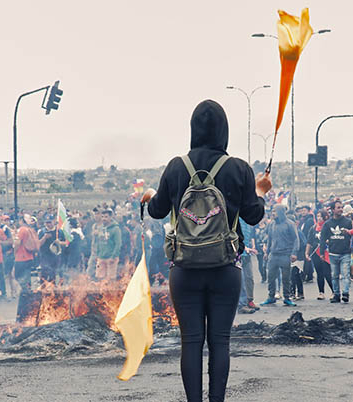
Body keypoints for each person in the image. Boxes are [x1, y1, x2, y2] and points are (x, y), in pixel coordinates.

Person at [142, 99, 268, 402]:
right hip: (226, 267)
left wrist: (150, 195)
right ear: (224, 130)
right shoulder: (238, 168)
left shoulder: (175, 167)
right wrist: (260, 191)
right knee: (220, 342)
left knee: (191, 342)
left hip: (184, 269)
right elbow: (254, 215)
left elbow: (158, 211)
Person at [262, 205, 300, 306]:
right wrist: (267, 252)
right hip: (273, 255)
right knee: (270, 277)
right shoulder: (271, 225)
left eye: (275, 211)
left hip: (285, 254)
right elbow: (269, 239)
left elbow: (296, 239)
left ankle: (287, 297)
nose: (273, 213)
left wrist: (294, 253)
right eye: (272, 211)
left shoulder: (290, 224)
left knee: (286, 278)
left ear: (281, 212)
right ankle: (271, 297)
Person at [321, 200, 353, 303]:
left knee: (345, 275)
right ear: (332, 209)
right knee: (334, 275)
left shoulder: (348, 222)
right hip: (333, 253)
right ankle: (336, 294)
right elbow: (322, 238)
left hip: (346, 253)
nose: (341, 209)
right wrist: (322, 252)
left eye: (341, 207)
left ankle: (345, 293)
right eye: (338, 207)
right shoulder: (327, 224)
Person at [94, 209, 122, 280]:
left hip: (111, 257)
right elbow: (98, 242)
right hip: (101, 257)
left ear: (110, 217)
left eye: (106, 217)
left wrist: (113, 257)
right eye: (102, 217)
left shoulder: (116, 229)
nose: (104, 219)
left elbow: (118, 244)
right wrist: (97, 255)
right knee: (99, 277)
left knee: (110, 279)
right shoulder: (100, 228)